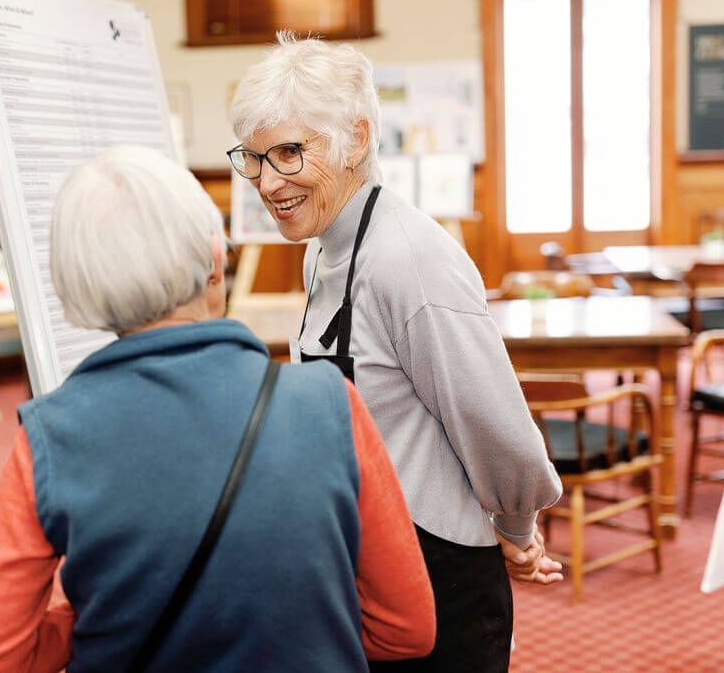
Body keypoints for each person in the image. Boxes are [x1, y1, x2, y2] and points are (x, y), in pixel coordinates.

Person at [0, 146, 435, 672]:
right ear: (216, 259)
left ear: (76, 283)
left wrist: (88, 626)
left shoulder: (51, 438)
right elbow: (408, 629)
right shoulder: (329, 403)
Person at [229, 34, 564, 671]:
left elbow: (498, 429)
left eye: (289, 153)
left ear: (355, 140)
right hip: (360, 560)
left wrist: (517, 531)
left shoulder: (408, 257)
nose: (267, 182)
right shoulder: (324, 246)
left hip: (438, 578)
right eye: (253, 158)